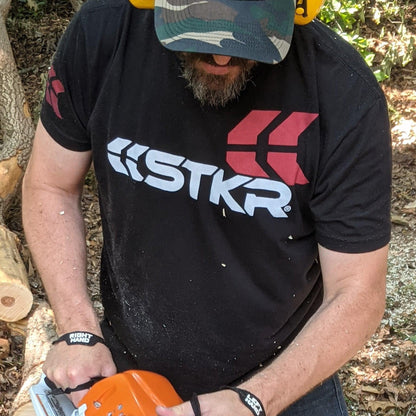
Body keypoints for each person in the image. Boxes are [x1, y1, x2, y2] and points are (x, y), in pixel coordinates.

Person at [22, 0, 392, 414]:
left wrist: (255, 399)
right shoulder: (104, 35)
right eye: (199, 25)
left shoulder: (342, 92)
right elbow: (50, 186)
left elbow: (357, 292)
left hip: (285, 379)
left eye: (246, 33)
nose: (221, 53)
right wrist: (77, 330)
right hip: (128, 371)